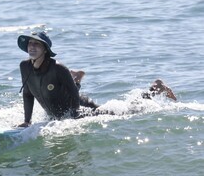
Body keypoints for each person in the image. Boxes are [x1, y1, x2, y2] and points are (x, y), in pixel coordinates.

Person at [17, 32, 177, 127]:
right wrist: (27, 121)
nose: (31, 47)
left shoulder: (58, 68)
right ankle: (77, 77)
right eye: (30, 44)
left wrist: (74, 116)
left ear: (45, 49)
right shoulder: (24, 66)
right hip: (58, 110)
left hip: (83, 108)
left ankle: (155, 88)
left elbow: (73, 93)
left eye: (36, 44)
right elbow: (28, 94)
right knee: (60, 88)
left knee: (127, 112)